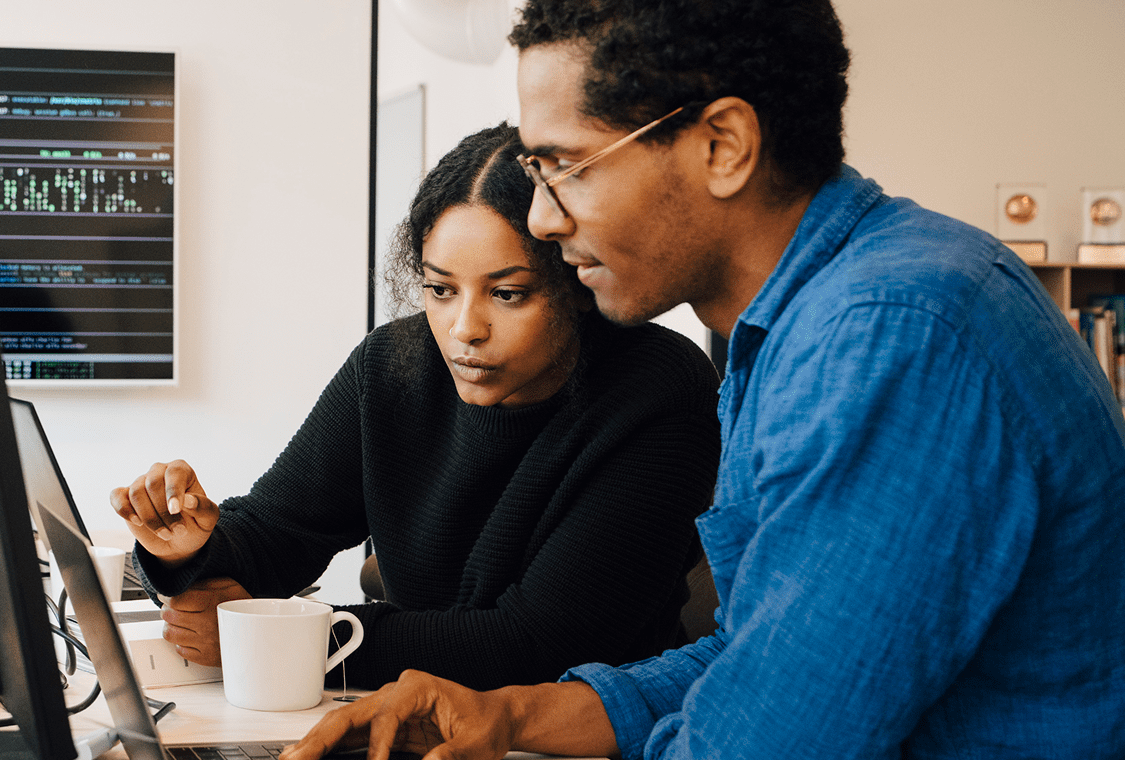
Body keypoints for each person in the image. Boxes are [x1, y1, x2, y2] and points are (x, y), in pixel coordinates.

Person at [279, 0, 1125, 760]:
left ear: (722, 145)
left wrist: (699, 729)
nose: (547, 220)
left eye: (563, 168)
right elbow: (752, 659)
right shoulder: (789, 330)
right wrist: (509, 715)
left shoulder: (891, 336)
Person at [109, 122, 721, 692]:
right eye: (440, 289)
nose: (464, 330)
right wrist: (186, 550)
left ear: (575, 284)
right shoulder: (393, 365)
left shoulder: (658, 390)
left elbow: (539, 644)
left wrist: (285, 640)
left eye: (507, 294)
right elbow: (280, 529)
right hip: (418, 718)